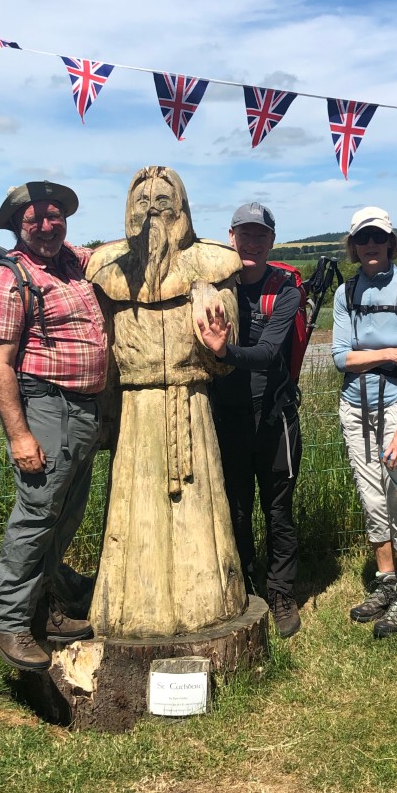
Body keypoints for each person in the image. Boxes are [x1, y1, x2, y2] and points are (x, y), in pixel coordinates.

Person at [85, 166, 247, 639]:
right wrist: (104, 416)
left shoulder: (214, 266)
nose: (153, 209)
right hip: (136, 416)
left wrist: (217, 345)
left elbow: (224, 361)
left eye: (163, 199)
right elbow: (105, 357)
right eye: (143, 200)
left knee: (200, 515)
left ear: (183, 207)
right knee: (136, 520)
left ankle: (208, 603)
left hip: (192, 408)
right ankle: (134, 608)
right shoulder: (109, 272)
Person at [0, 180, 108, 672]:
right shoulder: (8, 278)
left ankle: (47, 608)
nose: (48, 226)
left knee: (66, 513)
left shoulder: (72, 263)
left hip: (83, 409)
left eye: (56, 217)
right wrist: (19, 436)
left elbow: (113, 255)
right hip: (47, 408)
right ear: (18, 226)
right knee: (36, 516)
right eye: (35, 220)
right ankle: (7, 621)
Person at [197, 202, 303, 640]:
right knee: (235, 507)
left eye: (261, 235)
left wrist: (224, 352)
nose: (253, 243)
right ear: (231, 236)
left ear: (271, 241)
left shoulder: (286, 290)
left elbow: (268, 355)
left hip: (274, 416)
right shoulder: (213, 287)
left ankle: (281, 594)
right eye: (245, 234)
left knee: (277, 509)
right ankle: (242, 584)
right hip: (228, 415)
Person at [332, 206, 397, 638]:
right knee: (372, 498)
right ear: (354, 246)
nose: (371, 245)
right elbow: (340, 358)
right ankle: (385, 581)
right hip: (355, 407)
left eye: (378, 237)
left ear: (391, 241)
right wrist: (391, 353)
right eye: (363, 239)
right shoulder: (346, 292)